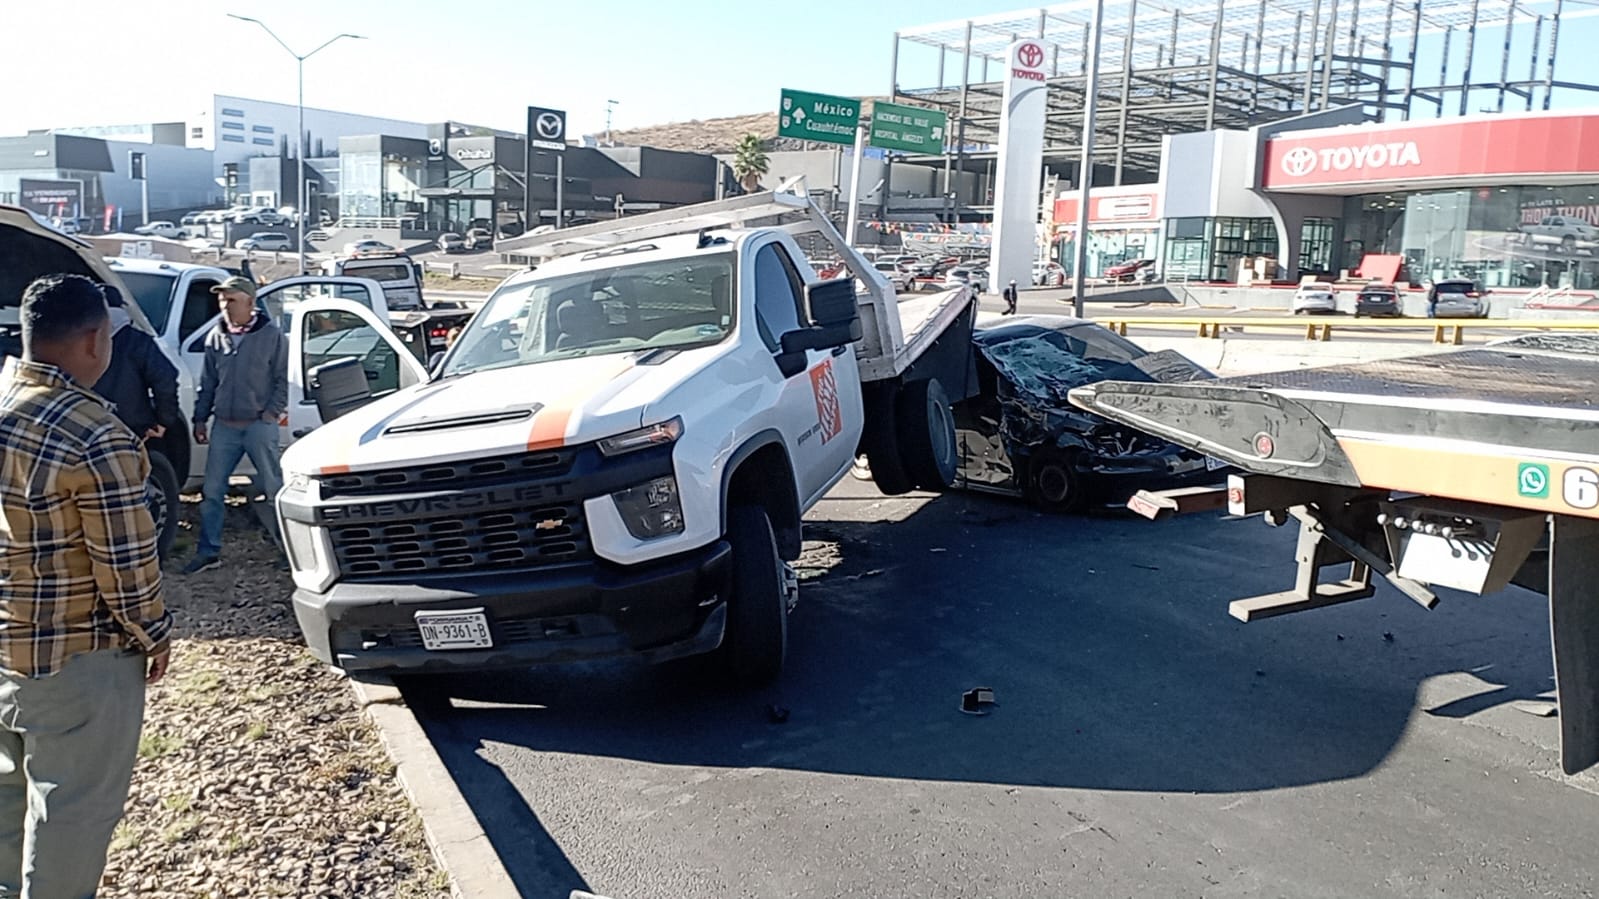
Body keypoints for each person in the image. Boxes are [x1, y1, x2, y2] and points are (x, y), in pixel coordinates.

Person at [0, 274, 172, 897]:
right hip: (78, 661)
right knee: (70, 822)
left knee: (6, 819)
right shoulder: (94, 433)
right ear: (97, 340)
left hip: (5, 650)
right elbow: (124, 569)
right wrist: (154, 634)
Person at [184, 275, 288, 575]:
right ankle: (208, 552)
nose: (225, 306)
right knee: (212, 492)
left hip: (258, 425)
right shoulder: (216, 336)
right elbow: (209, 382)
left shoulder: (271, 335)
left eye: (231, 300)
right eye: (221, 300)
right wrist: (200, 418)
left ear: (250, 303)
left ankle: (289, 550)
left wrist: (270, 414)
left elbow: (283, 379)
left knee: (273, 490)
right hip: (225, 427)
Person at [91, 284, 180, 444]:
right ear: (121, 308)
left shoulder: (74, 340)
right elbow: (165, 377)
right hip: (130, 428)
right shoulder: (138, 341)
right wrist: (164, 420)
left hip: (83, 424)